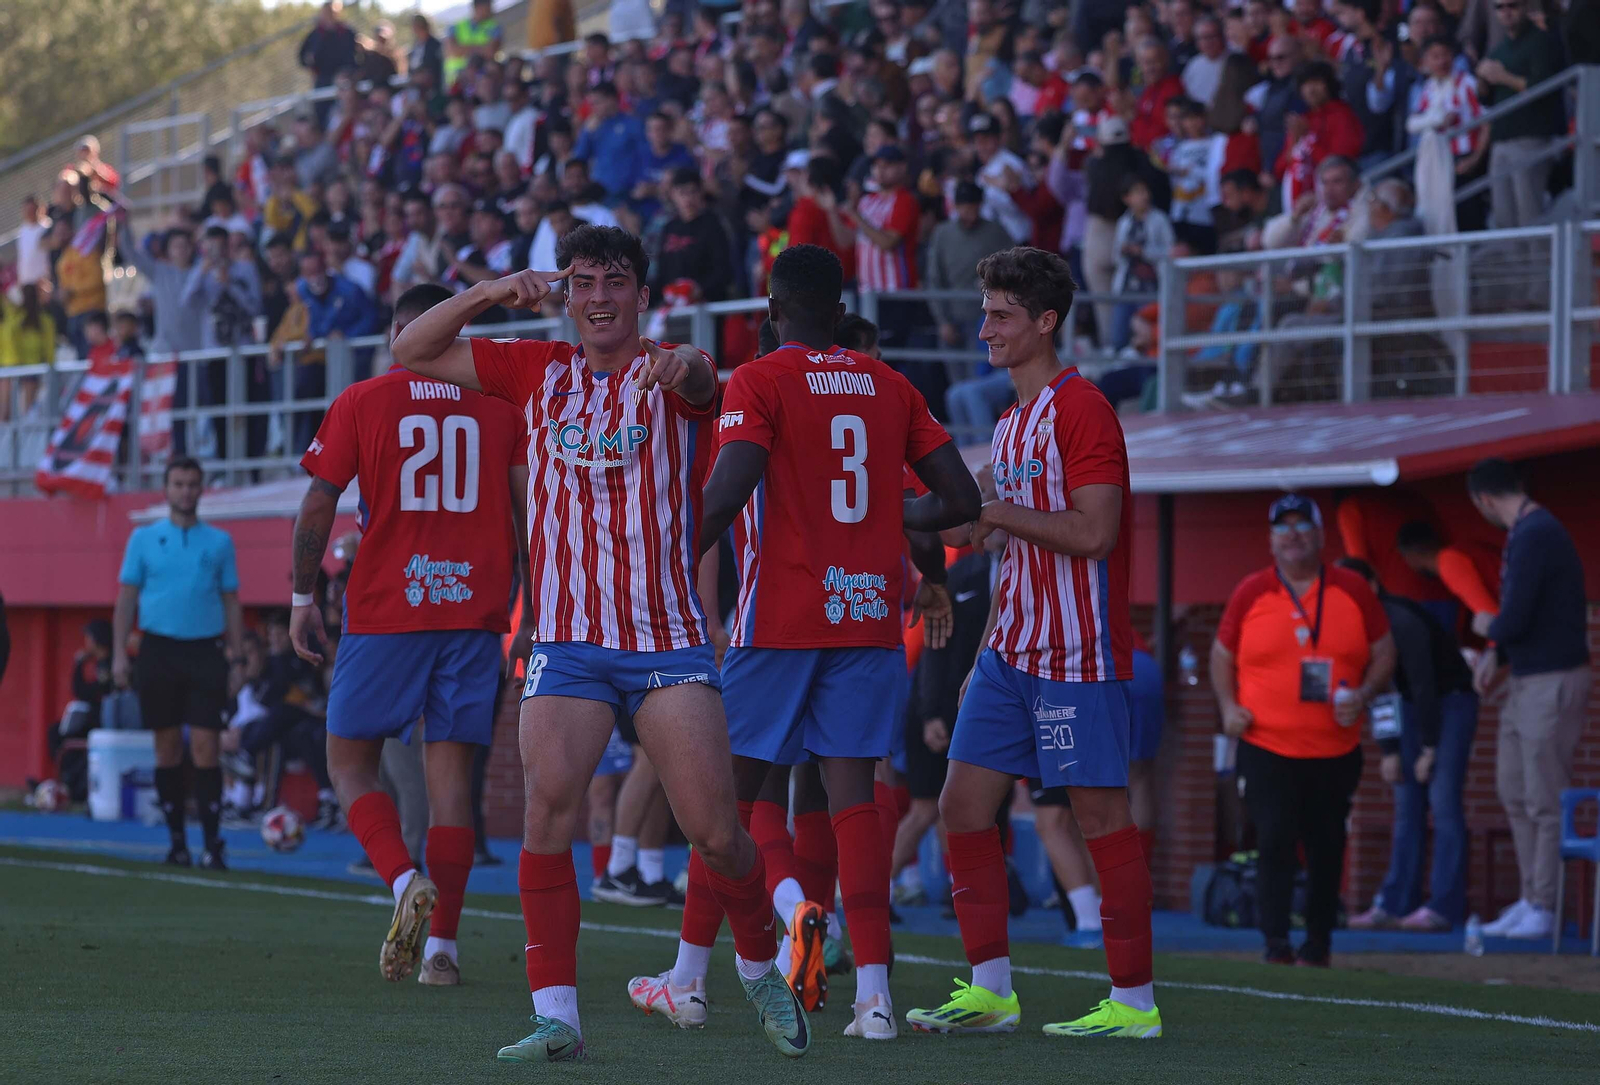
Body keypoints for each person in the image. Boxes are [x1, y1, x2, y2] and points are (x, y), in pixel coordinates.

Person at [391, 225, 811, 1063]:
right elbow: (411, 349)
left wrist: (683, 367)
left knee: (717, 832)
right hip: (569, 640)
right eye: (583, 282)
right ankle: (559, 1017)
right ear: (567, 295)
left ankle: (760, 965)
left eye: (615, 282)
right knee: (547, 813)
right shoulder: (537, 369)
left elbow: (702, 379)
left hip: (666, 641)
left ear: (642, 297)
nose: (598, 297)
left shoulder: (674, 371)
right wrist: (493, 290)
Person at [627, 244, 979, 1039]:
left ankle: (688, 980)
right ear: (841, 307)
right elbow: (960, 498)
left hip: (781, 619)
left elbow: (731, 484)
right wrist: (893, 514)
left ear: (773, 309)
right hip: (867, 619)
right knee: (856, 804)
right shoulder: (890, 384)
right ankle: (875, 1001)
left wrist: (664, 561)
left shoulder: (761, 378)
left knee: (723, 805)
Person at [904, 247, 1161, 1039]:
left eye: (1001, 315)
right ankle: (993, 991)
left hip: (1077, 654)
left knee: (1101, 817)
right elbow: (974, 530)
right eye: (985, 312)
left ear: (1046, 321)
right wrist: (900, 508)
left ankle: (1135, 1003)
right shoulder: (1012, 420)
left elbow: (1094, 531)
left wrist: (992, 512)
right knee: (960, 807)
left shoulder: (1082, 408)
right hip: (1008, 650)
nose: (985, 328)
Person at [288, 283, 531, 986]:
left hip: (389, 609)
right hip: (473, 614)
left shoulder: (363, 400)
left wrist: (303, 596)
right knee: (452, 784)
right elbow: (530, 515)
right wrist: (535, 612)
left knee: (348, 764)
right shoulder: (500, 406)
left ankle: (402, 879)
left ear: (398, 334)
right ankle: (443, 952)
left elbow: (319, 501)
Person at [1211, 495, 1396, 966]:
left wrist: (1364, 693)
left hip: (1335, 747)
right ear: (1271, 540)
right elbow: (1221, 654)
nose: (1292, 534)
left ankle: (1318, 943)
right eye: (1282, 527)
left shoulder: (1353, 589)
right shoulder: (1252, 591)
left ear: (1320, 535)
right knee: (1273, 839)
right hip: (1266, 743)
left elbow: (1384, 651)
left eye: (1301, 525)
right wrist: (1228, 707)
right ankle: (1275, 942)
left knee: (1327, 845)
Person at [1466, 458, 1593, 940]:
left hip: (1552, 680)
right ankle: (1529, 897)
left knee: (1544, 796)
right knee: (1514, 790)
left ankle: (1545, 904)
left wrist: (1487, 628)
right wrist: (1495, 655)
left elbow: (1515, 616)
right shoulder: (1526, 534)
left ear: (1484, 499)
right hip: (1526, 678)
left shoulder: (1537, 533)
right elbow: (1528, 616)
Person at [112, 458, 246, 869]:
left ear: (202, 489)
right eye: (178, 483)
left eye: (192, 484)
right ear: (166, 489)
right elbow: (126, 599)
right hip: (158, 652)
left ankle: (212, 843)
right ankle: (176, 843)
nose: (185, 491)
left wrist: (237, 658)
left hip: (205, 652)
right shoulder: (143, 538)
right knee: (166, 747)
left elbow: (231, 602)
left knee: (206, 748)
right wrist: (118, 653)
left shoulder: (220, 542)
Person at [1341, 557, 1480, 933]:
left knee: (1443, 800)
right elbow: (1379, 690)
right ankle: (1394, 903)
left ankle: (1443, 907)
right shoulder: (1354, 627)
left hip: (1449, 701)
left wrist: (1430, 748)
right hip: (1407, 706)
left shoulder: (1400, 619)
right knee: (1406, 803)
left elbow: (1424, 683)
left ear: (1372, 586)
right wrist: (1389, 751)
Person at [1476, 0, 1563, 229]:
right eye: (1500, 7)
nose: (1506, 12)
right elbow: (1487, 99)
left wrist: (1503, 77)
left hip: (1530, 138)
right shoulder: (1499, 49)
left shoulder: (1541, 41)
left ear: (1525, 7)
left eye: (1512, 5)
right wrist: (1482, 82)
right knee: (1503, 216)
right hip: (1501, 139)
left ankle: (1537, 255)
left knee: (1530, 213)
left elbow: (1544, 87)